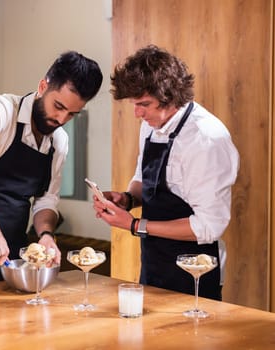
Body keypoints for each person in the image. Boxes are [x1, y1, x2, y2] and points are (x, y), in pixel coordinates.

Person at [0, 51, 103, 290]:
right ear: (43, 86)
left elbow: (46, 201)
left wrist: (46, 235)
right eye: (58, 106)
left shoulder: (59, 142)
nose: (61, 118)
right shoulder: (1, 110)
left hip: (13, 248)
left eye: (72, 114)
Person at [94, 45, 239, 301]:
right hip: (153, 262)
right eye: (134, 104)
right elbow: (144, 179)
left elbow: (208, 226)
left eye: (144, 104)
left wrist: (134, 225)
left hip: (195, 271)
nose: (137, 113)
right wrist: (126, 199)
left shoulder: (206, 139)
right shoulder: (151, 124)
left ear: (170, 95)